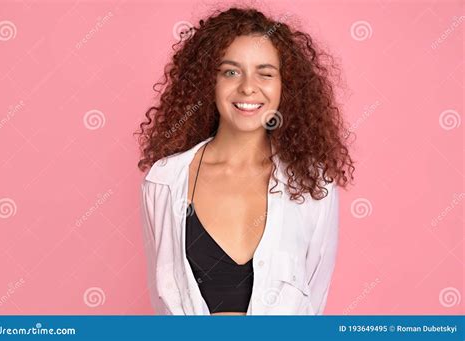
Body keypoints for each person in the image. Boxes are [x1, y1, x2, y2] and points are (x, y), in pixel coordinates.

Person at [136, 6, 355, 315]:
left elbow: (315, 299)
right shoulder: (163, 181)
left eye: (265, 73)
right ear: (208, 81)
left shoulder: (312, 185)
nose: (248, 87)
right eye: (231, 72)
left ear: (285, 85)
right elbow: (162, 298)